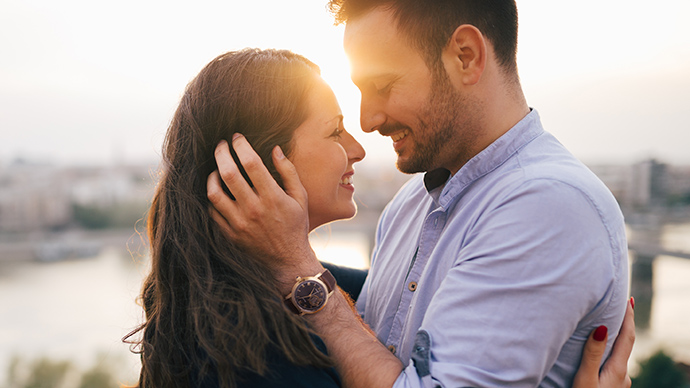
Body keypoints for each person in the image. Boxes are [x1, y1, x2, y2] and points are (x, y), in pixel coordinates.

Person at [206, 1, 633, 387]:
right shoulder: (413, 202)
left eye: (383, 85)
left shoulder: (548, 205)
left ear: (466, 56)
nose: (368, 120)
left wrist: (297, 269)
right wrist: (275, 250)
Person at [126, 48, 364, 388]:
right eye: (335, 131)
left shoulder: (236, 294)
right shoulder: (253, 353)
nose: (358, 149)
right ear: (254, 162)